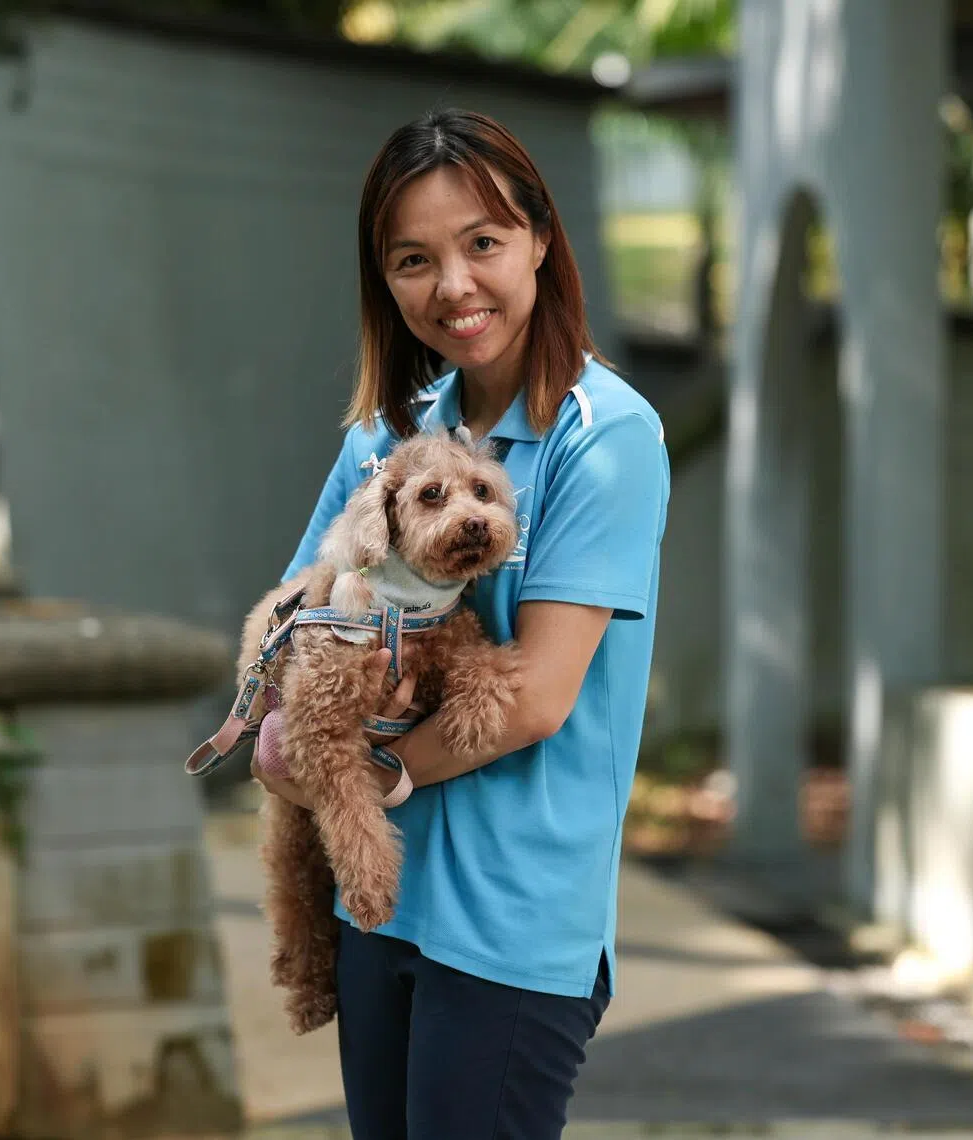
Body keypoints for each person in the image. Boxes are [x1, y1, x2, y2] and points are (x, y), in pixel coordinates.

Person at [252, 108, 670, 1140]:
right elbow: (298, 617)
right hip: (377, 908)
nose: (453, 286)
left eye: (482, 242)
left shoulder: (604, 433)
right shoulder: (388, 436)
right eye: (413, 258)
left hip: (510, 921)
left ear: (539, 239)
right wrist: (284, 737)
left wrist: (365, 776)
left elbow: (531, 699)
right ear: (383, 279)